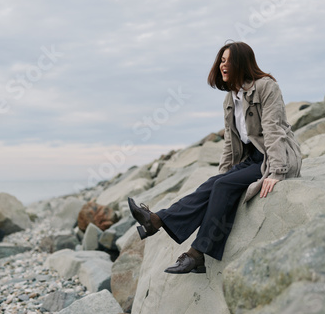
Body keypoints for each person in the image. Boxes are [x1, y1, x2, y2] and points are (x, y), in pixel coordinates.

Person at [128, 41, 302, 274]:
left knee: (222, 186)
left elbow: (274, 129)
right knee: (215, 184)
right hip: (250, 158)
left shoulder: (266, 87)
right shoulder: (230, 99)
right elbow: (230, 144)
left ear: (242, 62)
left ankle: (196, 253)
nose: (223, 65)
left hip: (271, 157)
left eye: (228, 60)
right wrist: (223, 174)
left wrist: (277, 171)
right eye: (221, 60)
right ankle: (156, 220)